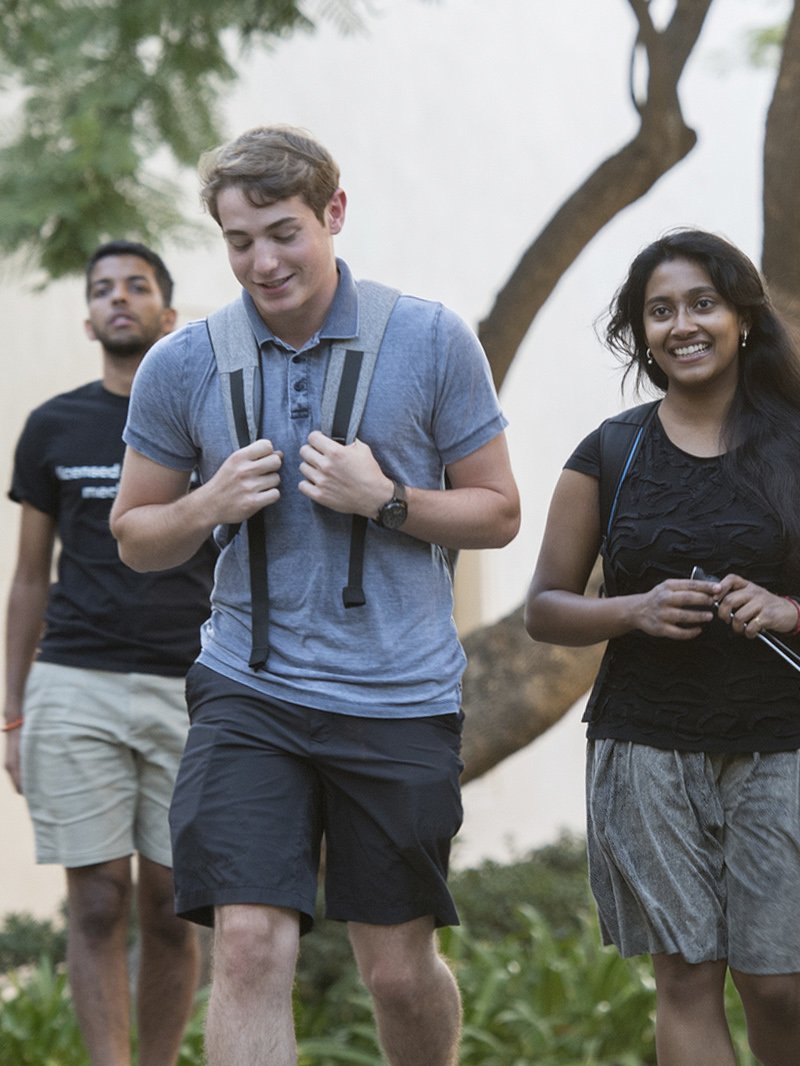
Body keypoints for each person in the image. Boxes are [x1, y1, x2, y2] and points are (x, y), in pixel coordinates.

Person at [111, 125, 521, 1066]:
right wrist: (208, 503)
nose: (262, 261)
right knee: (248, 946)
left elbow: (499, 513)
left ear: (333, 214)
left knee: (395, 969)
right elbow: (135, 536)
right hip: (248, 694)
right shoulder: (185, 363)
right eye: (238, 240)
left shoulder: (429, 338)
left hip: (399, 697)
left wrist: (389, 500)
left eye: (283, 232)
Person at [525, 229, 800, 1066]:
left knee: (773, 980)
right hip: (645, 744)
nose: (682, 325)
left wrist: (789, 611)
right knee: (687, 976)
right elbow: (544, 610)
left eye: (702, 303)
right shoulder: (611, 452)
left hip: (783, 746)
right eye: (660, 311)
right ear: (642, 332)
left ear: (742, 320)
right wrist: (635, 610)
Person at [3, 240, 211, 1066]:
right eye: (102, 289)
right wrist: (13, 712)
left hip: (189, 687)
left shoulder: (208, 421)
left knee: (169, 905)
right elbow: (27, 580)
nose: (118, 299)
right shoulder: (52, 426)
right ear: (86, 316)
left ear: (168, 312)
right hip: (74, 681)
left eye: (137, 286)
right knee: (94, 903)